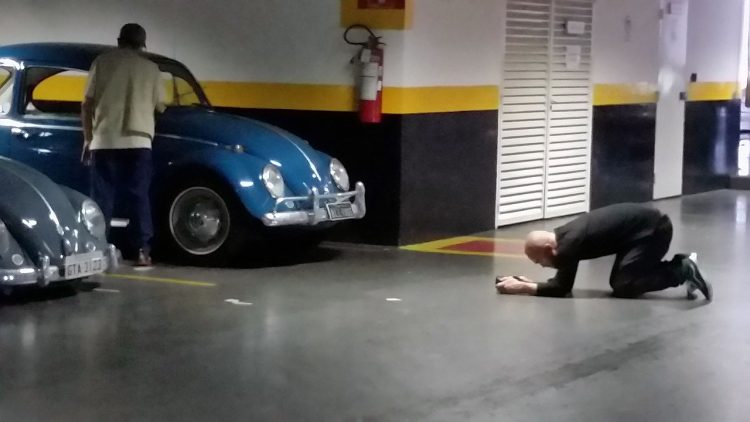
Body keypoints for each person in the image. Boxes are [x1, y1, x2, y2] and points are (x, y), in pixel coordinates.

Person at [495, 203, 712, 300]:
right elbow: (559, 282)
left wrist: (523, 287)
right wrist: (529, 282)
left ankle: (682, 270)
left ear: (547, 249)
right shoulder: (565, 236)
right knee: (622, 279)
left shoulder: (569, 245)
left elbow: (561, 288)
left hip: (654, 231)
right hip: (639, 232)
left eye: (538, 261)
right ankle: (681, 266)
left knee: (623, 285)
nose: (541, 266)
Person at [81, 23, 165, 266]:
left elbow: (86, 104)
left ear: (119, 41)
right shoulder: (152, 69)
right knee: (139, 195)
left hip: (105, 138)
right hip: (139, 140)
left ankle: (99, 247)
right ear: (142, 45)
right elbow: (161, 106)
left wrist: (88, 138)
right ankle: (142, 250)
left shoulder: (101, 63)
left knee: (102, 197)